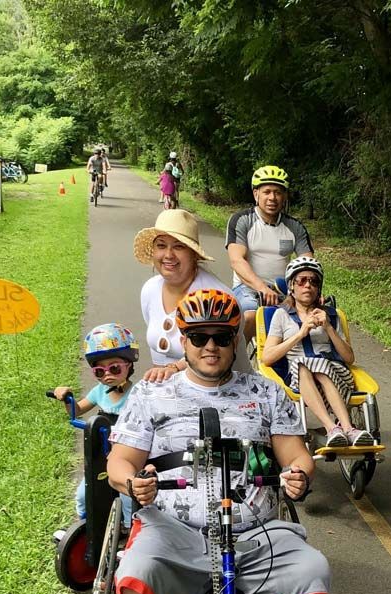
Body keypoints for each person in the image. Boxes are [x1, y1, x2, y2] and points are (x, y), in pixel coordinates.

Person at [107, 290, 330, 594]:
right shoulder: (152, 392)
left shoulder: (267, 392)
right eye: (199, 336)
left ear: (236, 342)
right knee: (133, 577)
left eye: (222, 337)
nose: (211, 346)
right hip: (174, 529)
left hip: (254, 529)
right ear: (182, 340)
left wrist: (297, 477)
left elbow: (297, 457)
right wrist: (133, 484)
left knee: (314, 575)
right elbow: (119, 462)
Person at [260, 257, 372, 447]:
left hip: (336, 373)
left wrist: (328, 327)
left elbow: (349, 358)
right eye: (301, 280)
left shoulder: (330, 315)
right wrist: (301, 333)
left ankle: (341, 429)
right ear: (291, 287)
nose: (308, 286)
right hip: (299, 377)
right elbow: (267, 357)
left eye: (313, 281)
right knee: (303, 364)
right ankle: (338, 428)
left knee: (313, 366)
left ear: (319, 287)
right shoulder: (281, 315)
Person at [51, 323, 138, 528]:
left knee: (127, 496)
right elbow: (78, 410)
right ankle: (84, 528)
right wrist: (67, 399)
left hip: (126, 452)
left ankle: (128, 531)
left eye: (114, 368)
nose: (107, 374)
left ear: (129, 365)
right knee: (83, 494)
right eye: (100, 371)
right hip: (100, 451)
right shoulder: (99, 391)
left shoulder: (137, 394)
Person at [133, 209, 231, 382]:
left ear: (194, 254)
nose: (169, 255)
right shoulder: (150, 289)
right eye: (161, 245)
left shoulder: (216, 298)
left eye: (179, 246)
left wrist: (174, 368)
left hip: (213, 387)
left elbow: (219, 355)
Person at [225, 165, 313, 341]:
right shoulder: (242, 220)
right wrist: (262, 288)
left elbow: (308, 264)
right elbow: (237, 261)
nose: (272, 197)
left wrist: (301, 291)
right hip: (248, 289)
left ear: (285, 196)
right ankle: (235, 361)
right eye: (267, 192)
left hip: (284, 290)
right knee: (250, 317)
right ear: (256, 194)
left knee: (306, 322)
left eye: (278, 192)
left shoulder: (295, 227)